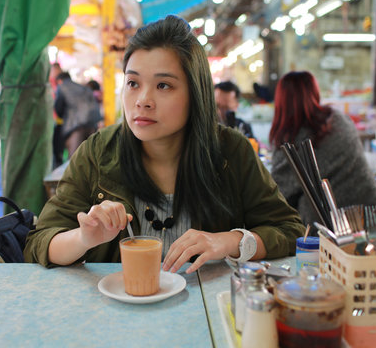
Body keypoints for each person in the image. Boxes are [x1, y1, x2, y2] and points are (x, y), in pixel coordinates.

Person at [24, 15, 304, 273]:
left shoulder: (231, 151)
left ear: (195, 93)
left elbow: (290, 230)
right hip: (118, 314)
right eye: (133, 83)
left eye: (163, 86)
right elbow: (40, 242)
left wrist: (229, 241)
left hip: (207, 314)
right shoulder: (98, 152)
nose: (142, 100)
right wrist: (84, 238)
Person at [269, 71, 376, 234]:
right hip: (373, 216)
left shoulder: (295, 137)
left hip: (337, 228)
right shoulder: (338, 118)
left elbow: (279, 191)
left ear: (281, 101)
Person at [54, 72, 101, 158]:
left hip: (76, 125)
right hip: (92, 124)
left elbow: (58, 108)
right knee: (89, 156)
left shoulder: (62, 86)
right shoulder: (82, 87)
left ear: (60, 81)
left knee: (74, 159)